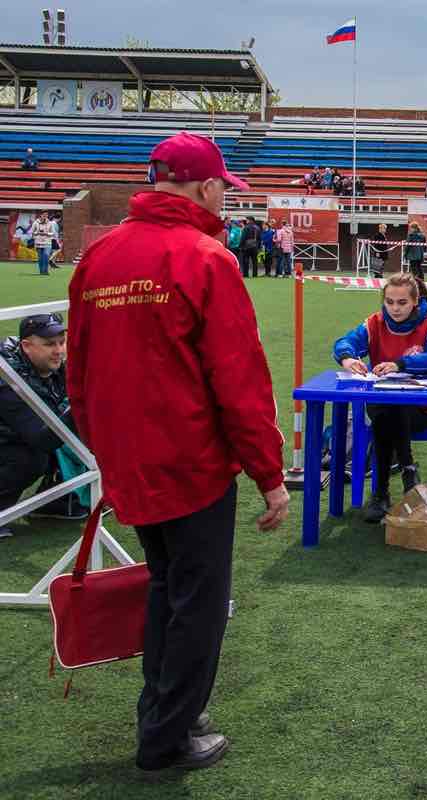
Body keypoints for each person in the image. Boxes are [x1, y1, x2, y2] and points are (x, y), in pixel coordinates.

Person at [67, 131, 288, 772]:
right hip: (191, 465)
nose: (225, 199)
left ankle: (164, 714)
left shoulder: (100, 257)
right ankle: (166, 737)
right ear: (206, 185)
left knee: (167, 589)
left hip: (130, 461)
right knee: (197, 601)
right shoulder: (206, 258)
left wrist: (107, 450)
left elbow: (78, 375)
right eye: (224, 187)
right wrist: (269, 476)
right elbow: (239, 382)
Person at [333, 273, 427, 523]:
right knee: (386, 410)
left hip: (425, 410)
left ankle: (381, 492)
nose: (395, 308)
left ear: (415, 302)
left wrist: (399, 364)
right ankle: (407, 471)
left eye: (402, 302)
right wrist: (348, 358)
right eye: (389, 302)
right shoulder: (373, 323)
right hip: (385, 408)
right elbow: (344, 342)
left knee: (389, 411)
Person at [0, 313, 87, 539]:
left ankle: (58, 499)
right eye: (49, 344)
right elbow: (42, 438)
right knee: (30, 458)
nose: (59, 350)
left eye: (61, 342)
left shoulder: (52, 365)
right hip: (11, 444)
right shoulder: (7, 378)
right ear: (26, 346)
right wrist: (84, 402)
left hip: (14, 437)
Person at [31, 212, 55, 276]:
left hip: (47, 242)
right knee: (40, 258)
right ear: (40, 215)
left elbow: (53, 233)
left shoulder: (50, 223)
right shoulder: (35, 223)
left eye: (46, 215)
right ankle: (41, 271)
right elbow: (31, 232)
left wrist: (47, 233)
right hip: (38, 242)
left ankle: (46, 271)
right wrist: (38, 233)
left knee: (46, 256)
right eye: (43, 214)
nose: (45, 216)